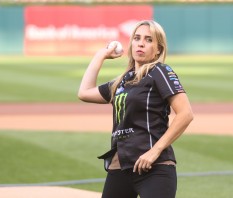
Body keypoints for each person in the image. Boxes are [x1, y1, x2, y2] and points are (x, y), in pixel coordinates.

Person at [78, 20, 194, 198]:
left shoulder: (159, 72)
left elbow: (186, 114)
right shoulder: (123, 80)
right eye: (137, 38)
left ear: (158, 49)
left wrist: (155, 151)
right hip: (120, 167)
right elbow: (84, 92)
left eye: (149, 40)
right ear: (131, 43)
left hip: (154, 167)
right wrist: (100, 55)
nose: (141, 43)